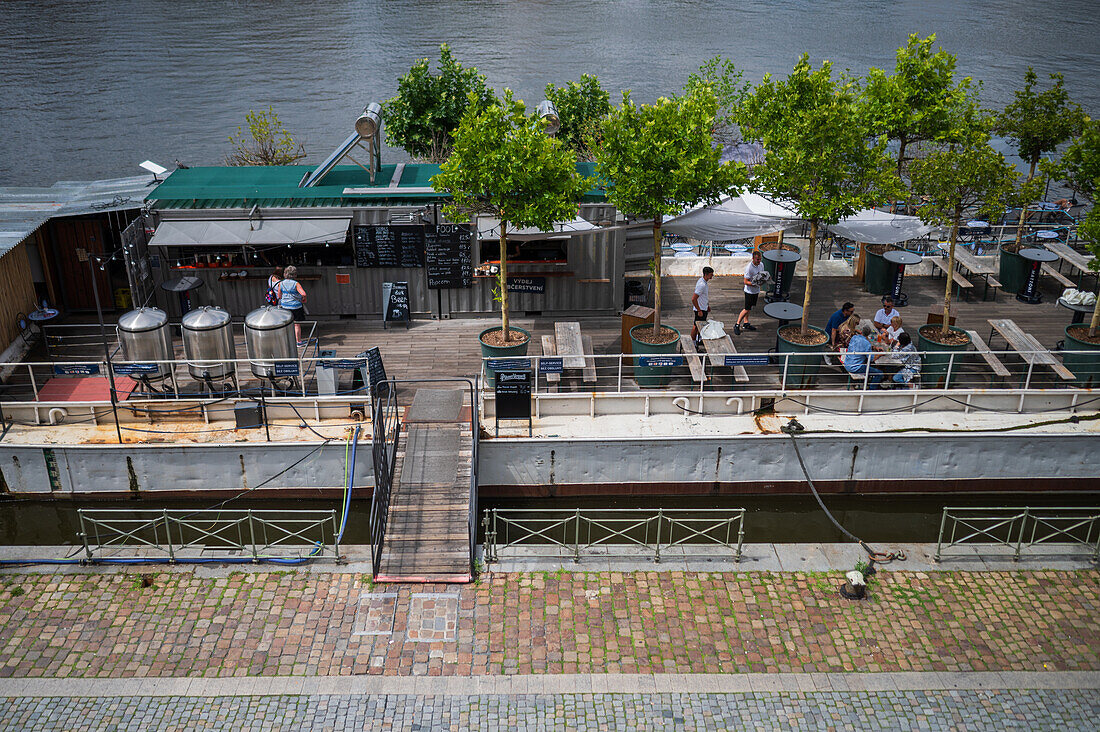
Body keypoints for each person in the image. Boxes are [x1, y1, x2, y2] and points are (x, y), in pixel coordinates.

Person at [734, 250, 765, 335]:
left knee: (750, 307)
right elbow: (745, 281)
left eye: (760, 259)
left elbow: (761, 276)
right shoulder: (749, 268)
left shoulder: (761, 265)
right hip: (749, 291)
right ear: (753, 259)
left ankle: (746, 323)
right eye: (757, 259)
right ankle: (737, 324)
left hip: (756, 290)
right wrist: (754, 284)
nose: (759, 261)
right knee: (746, 308)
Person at [843, 324, 883, 388]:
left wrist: (873, 347)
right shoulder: (867, 343)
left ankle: (866, 382)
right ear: (868, 334)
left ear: (861, 331)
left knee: (869, 367)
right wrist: (880, 354)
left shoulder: (854, 337)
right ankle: (871, 390)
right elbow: (872, 359)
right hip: (856, 367)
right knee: (879, 373)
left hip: (847, 363)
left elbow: (861, 346)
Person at [277, 265, 308, 345]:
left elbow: (279, 296)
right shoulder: (296, 284)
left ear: (285, 274)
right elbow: (303, 294)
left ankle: (287, 342)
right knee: (296, 325)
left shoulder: (281, 283)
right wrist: (303, 299)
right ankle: (298, 342)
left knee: (286, 324)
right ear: (294, 274)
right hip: (296, 307)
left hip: (285, 307)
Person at [690, 266, 714, 346]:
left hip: (703, 308)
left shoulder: (703, 282)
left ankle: (697, 339)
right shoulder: (702, 285)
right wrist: (699, 310)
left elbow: (703, 296)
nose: (712, 276)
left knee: (700, 326)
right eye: (711, 274)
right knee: (696, 326)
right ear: (706, 274)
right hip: (700, 310)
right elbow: (694, 299)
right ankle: (693, 343)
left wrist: (707, 306)